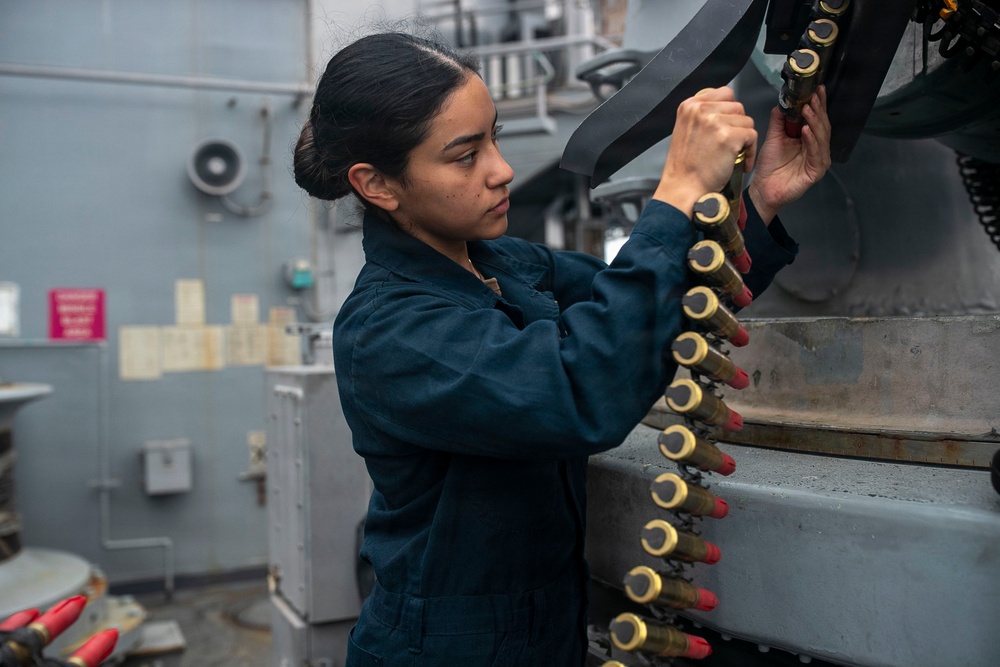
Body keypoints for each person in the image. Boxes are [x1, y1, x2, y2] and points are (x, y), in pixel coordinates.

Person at [293, 32, 830, 667]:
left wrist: (756, 204)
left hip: (544, 634)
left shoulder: (502, 263)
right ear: (378, 185)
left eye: (493, 137)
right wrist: (678, 189)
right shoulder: (388, 332)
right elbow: (583, 392)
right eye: (466, 156)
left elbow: (655, 308)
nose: (501, 168)